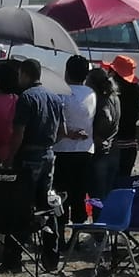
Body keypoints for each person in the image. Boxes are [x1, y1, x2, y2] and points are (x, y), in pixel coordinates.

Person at [0, 57, 66, 211]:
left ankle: (23, 234)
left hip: (28, 156)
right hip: (48, 155)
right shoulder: (55, 98)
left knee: (23, 200)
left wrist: (10, 158)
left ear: (25, 74)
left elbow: (19, 133)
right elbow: (63, 132)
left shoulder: (26, 97)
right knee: (44, 202)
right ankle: (48, 232)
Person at [53, 55, 97, 224]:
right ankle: (77, 234)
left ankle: (61, 231)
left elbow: (58, 122)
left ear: (66, 72)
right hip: (85, 150)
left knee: (60, 194)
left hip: (63, 150)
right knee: (79, 194)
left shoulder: (61, 94)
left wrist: (67, 133)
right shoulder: (91, 94)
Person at [85, 66, 122, 199]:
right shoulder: (115, 98)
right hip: (113, 152)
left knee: (98, 197)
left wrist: (95, 135)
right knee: (107, 194)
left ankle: (99, 220)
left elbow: (106, 117)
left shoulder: (101, 100)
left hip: (101, 153)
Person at [104, 55, 139, 180]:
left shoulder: (112, 92)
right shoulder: (137, 90)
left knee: (108, 184)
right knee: (124, 181)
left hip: (114, 144)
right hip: (130, 142)